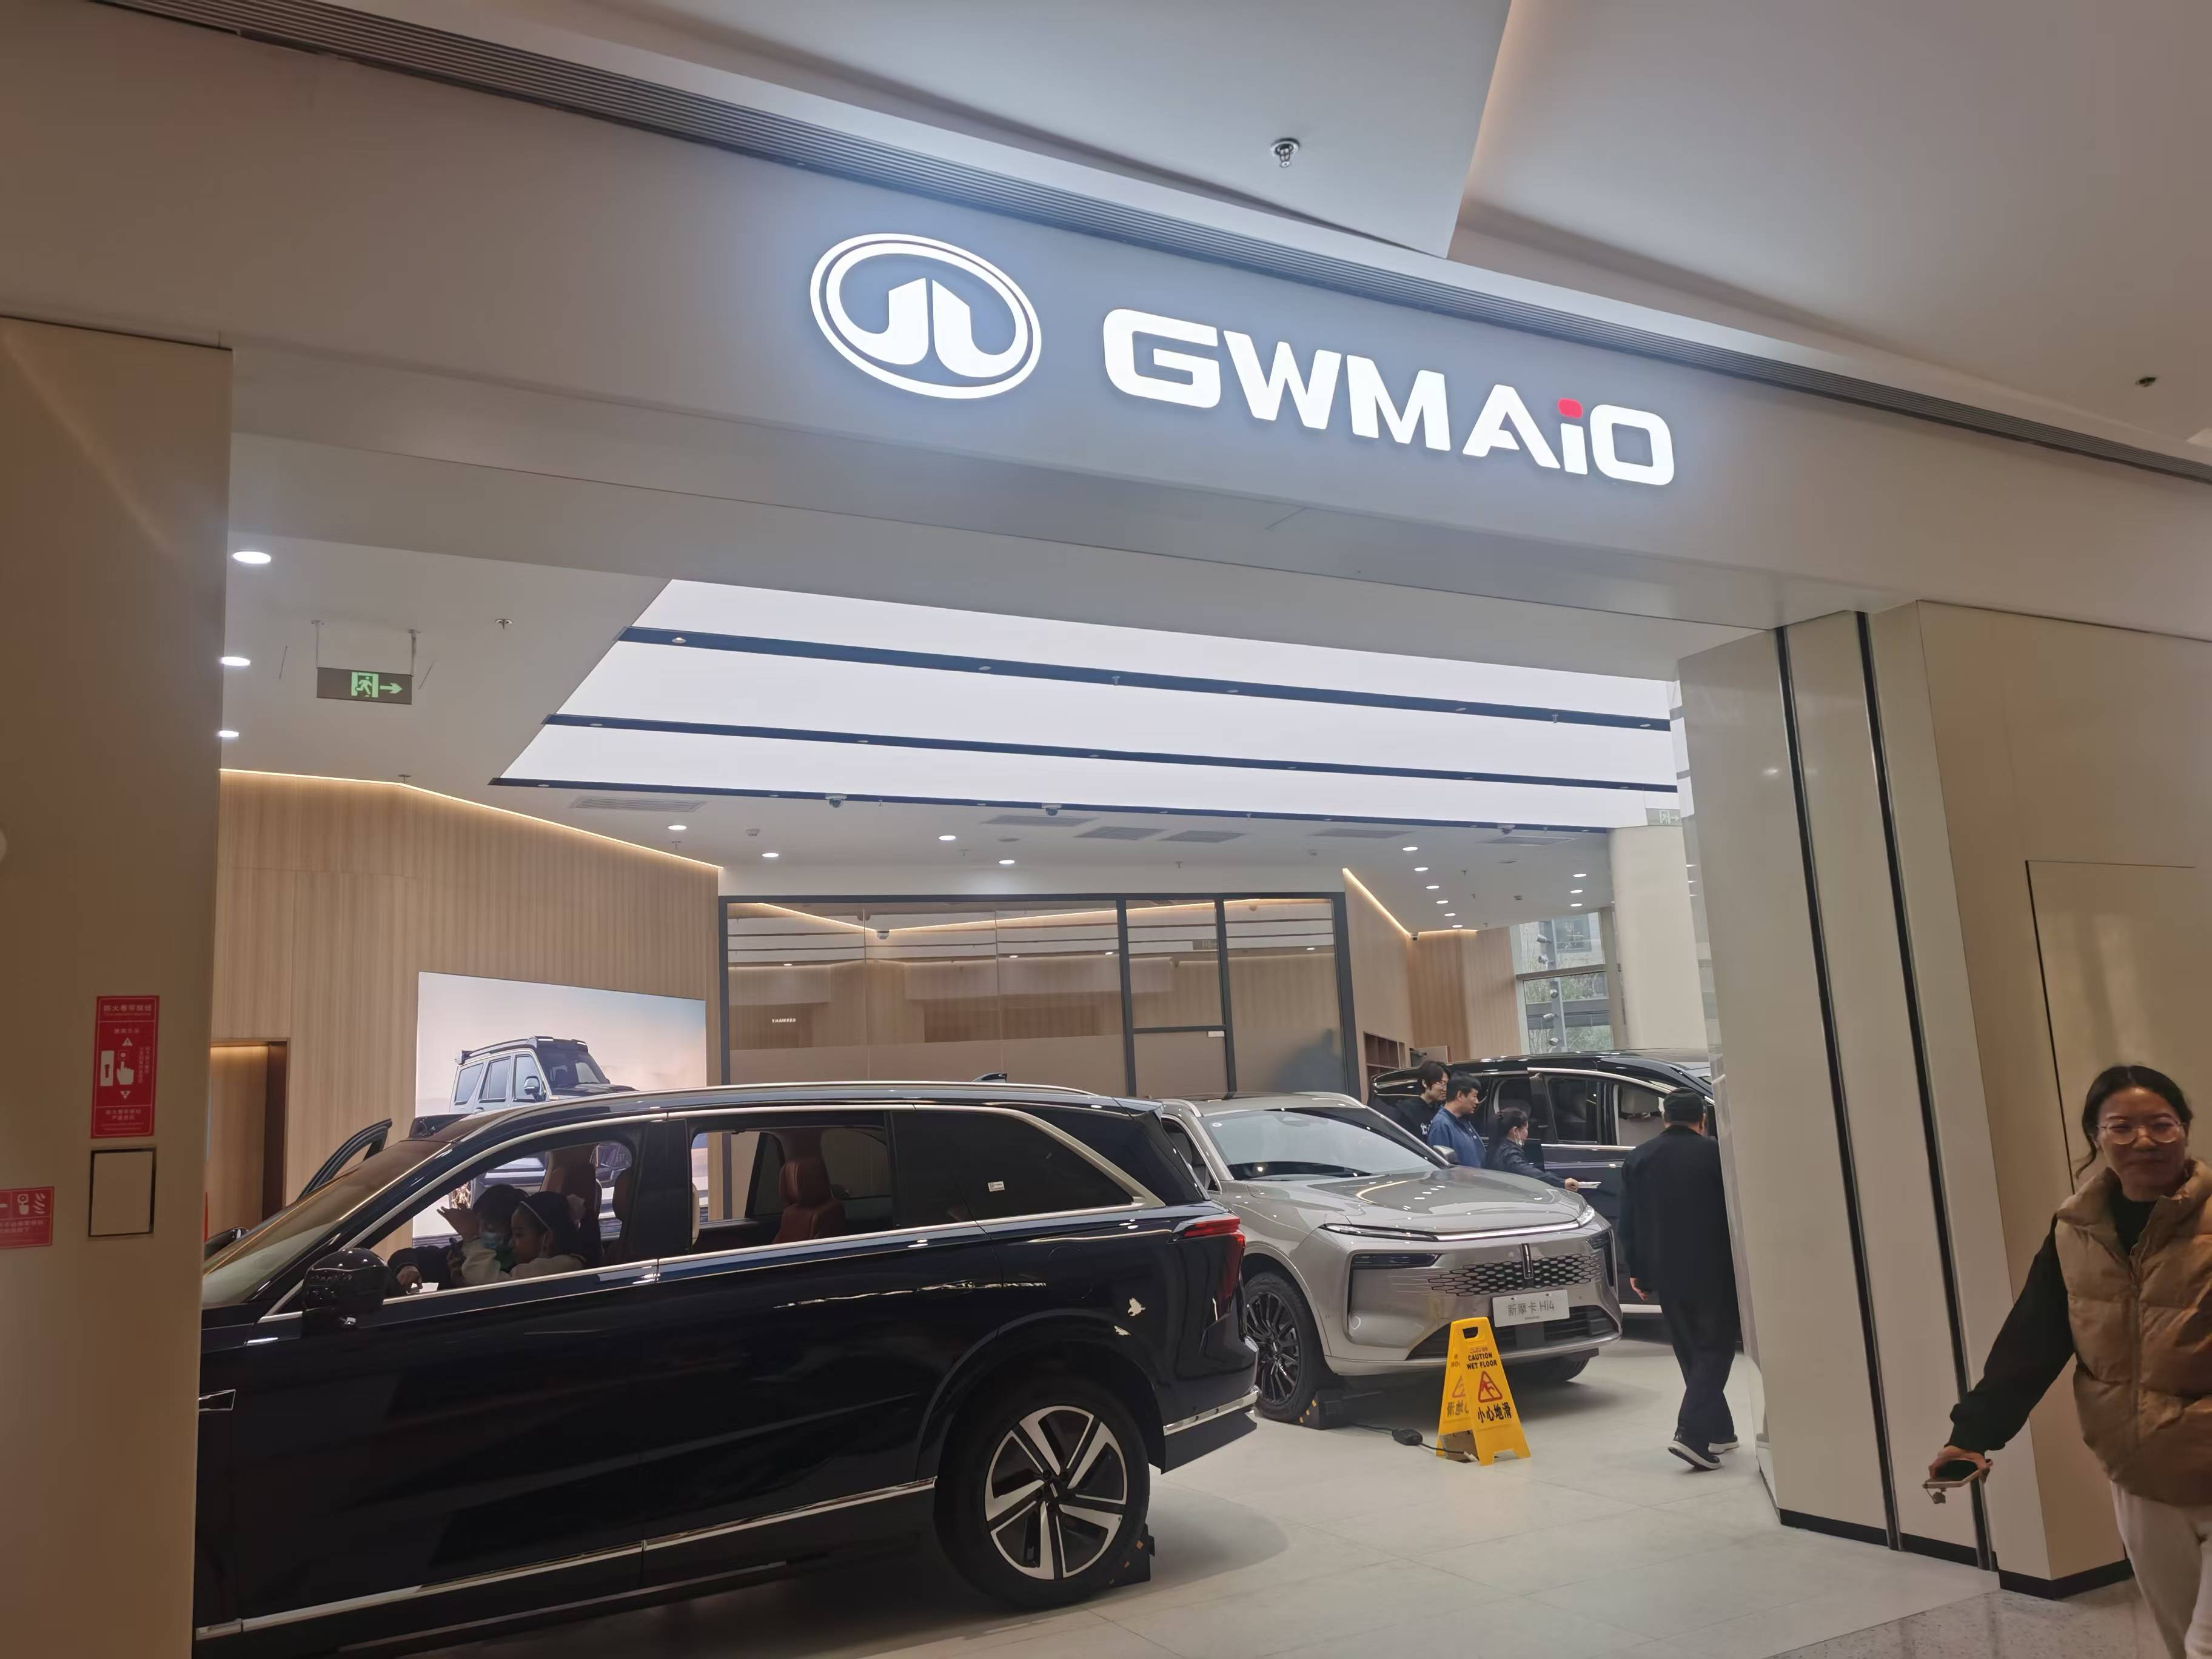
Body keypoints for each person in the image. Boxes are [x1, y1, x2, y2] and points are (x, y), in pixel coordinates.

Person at [1933, 1064, 2212, 1658]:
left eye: (2162, 1125)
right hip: (2141, 1472)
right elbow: (2032, 1341)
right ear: (2096, 1136)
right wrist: (1973, 1435)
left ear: (2185, 1129)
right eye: (2122, 1127)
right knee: (2180, 1639)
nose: (2144, 1141)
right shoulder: (2076, 1232)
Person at [1617, 1089, 1740, 1470]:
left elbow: (1629, 1221)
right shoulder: (1717, 1154)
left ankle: (1719, 1431)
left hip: (1665, 1271)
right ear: (1702, 1121)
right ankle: (1691, 1434)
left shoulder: (1639, 1157)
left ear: (1664, 1119)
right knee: (1715, 1349)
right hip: (1714, 1268)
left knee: (1690, 1349)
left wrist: (1638, 1271)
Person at [454, 1188, 586, 1283]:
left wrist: (472, 1237)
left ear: (547, 1239)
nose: (511, 1243)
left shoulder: (564, 1267)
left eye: (518, 1235)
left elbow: (491, 1283)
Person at [1485, 1105, 1584, 1193]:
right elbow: (1530, 1173)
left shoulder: (1495, 1147)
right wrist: (1562, 1182)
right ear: (1515, 1131)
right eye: (1526, 1129)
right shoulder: (1509, 1154)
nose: (1527, 1134)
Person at [1426, 1073, 1487, 1169]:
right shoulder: (1442, 1125)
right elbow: (1441, 1168)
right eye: (1474, 1096)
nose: (1477, 1101)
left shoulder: (1463, 1120)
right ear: (1460, 1095)